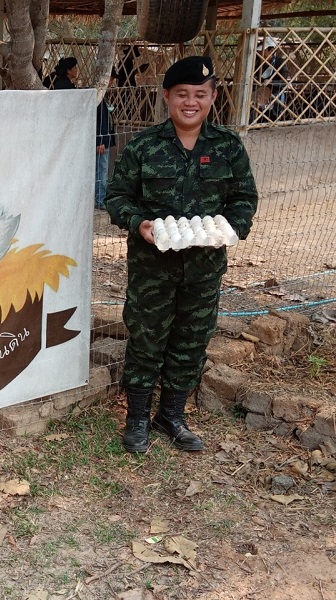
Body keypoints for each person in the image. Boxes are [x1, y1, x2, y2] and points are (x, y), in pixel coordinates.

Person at [105, 56, 258, 454]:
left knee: (192, 341)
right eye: (182, 94)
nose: (191, 102)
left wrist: (232, 228)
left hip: (204, 268)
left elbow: (244, 198)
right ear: (167, 96)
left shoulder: (227, 147)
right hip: (152, 267)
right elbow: (116, 197)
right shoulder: (144, 146)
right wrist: (138, 222)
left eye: (200, 94)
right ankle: (137, 419)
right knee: (146, 340)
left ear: (213, 97)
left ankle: (171, 416)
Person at [94, 70, 117, 210]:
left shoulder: (102, 96)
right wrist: (99, 140)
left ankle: (101, 197)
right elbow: (96, 121)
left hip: (105, 139)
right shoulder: (97, 97)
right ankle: (100, 199)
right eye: (111, 79)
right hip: (101, 141)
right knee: (101, 170)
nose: (112, 82)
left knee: (102, 169)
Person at [255, 35, 288, 122]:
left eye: (263, 50)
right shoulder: (258, 62)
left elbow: (284, 82)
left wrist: (272, 81)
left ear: (271, 51)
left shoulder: (280, 63)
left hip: (275, 91)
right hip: (261, 90)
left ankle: (273, 119)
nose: (260, 53)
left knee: (276, 100)